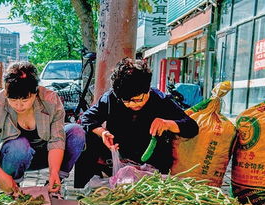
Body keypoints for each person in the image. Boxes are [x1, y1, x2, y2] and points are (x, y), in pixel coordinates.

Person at [75, 57, 199, 187]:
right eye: (126, 101)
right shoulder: (111, 98)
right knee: (84, 136)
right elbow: (87, 118)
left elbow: (191, 127)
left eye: (138, 100)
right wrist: (103, 133)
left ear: (147, 90)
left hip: (152, 162)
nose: (132, 105)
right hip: (117, 156)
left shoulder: (161, 100)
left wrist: (168, 124)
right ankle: (83, 191)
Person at [0, 61, 86, 193]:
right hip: (13, 156)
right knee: (19, 146)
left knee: (77, 132)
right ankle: (12, 188)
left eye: (25, 100)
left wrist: (54, 172)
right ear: (6, 92)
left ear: (35, 93)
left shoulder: (50, 100)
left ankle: (54, 183)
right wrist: (2, 177)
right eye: (13, 100)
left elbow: (57, 140)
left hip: (45, 154)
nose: (19, 106)